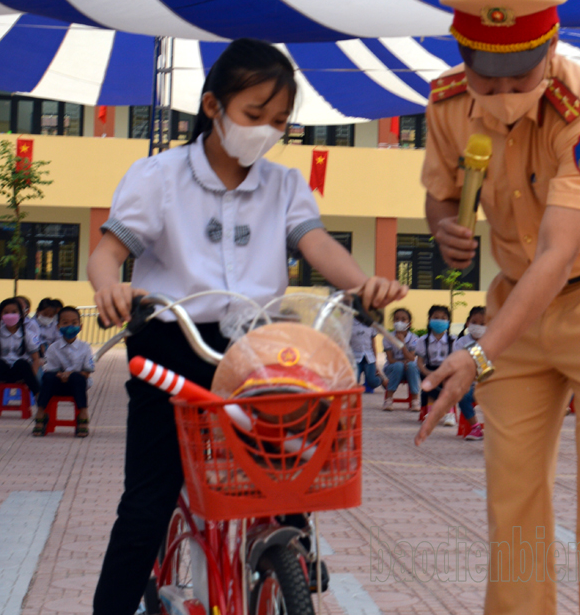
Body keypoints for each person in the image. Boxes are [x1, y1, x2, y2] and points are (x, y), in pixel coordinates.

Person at [86, 38, 406, 615]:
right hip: (172, 344)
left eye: (278, 121)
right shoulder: (158, 176)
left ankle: (290, 566)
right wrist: (110, 285)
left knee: (287, 481)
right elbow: (107, 253)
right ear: (213, 106)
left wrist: (361, 285)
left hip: (260, 352)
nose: (265, 130)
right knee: (146, 503)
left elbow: (317, 244)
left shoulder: (282, 185)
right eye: (253, 115)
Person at [414, 0, 580, 614]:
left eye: (519, 79)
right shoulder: (446, 103)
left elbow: (557, 253)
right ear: (462, 58)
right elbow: (439, 190)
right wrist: (444, 225)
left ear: (549, 52)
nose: (501, 97)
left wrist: (477, 355)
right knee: (512, 496)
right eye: (487, 80)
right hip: (516, 307)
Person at [36, 306, 94, 438]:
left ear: (80, 326)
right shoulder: (53, 348)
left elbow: (87, 371)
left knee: (78, 378)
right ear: (58, 326)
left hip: (76, 386)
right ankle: (41, 412)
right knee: (48, 378)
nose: (70, 326)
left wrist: (71, 375)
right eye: (65, 323)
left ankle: (83, 414)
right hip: (57, 385)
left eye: (74, 323)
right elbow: (49, 369)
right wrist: (60, 375)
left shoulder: (85, 347)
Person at [0, 297, 42, 396]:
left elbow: (36, 359)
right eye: (6, 312)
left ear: (21, 315)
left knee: (22, 363)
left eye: (14, 312)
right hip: (3, 374)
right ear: (0, 315)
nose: (10, 315)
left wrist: (31, 377)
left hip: (20, 374)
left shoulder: (28, 335)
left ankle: (38, 395)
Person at [415, 305, 456, 427]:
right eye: (436, 317)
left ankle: (449, 413)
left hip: (447, 369)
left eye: (443, 318)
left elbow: (455, 360)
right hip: (429, 369)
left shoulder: (453, 340)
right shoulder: (423, 340)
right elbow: (419, 362)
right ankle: (430, 413)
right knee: (430, 385)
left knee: (448, 385)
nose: (440, 321)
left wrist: (445, 373)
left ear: (448, 322)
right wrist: (426, 372)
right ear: (429, 320)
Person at [452, 306, 486, 440]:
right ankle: (475, 427)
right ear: (467, 323)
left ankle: (496, 429)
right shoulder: (462, 343)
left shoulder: (493, 341)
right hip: (470, 385)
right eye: (474, 322)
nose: (478, 326)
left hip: (490, 384)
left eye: (483, 324)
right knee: (462, 397)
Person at [381, 308, 421, 411]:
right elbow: (390, 359)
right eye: (396, 319)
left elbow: (412, 358)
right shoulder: (388, 337)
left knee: (412, 365)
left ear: (409, 323)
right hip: (392, 369)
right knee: (398, 366)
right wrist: (402, 362)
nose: (399, 322)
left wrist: (402, 344)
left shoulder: (414, 338)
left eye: (403, 320)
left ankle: (415, 400)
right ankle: (389, 399)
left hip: (409, 369)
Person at [350, 315, 385, 394]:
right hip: (356, 358)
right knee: (354, 381)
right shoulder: (350, 324)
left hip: (369, 357)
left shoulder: (370, 324)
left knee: (372, 381)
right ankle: (362, 386)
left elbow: (373, 344)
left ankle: (380, 379)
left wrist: (375, 361)